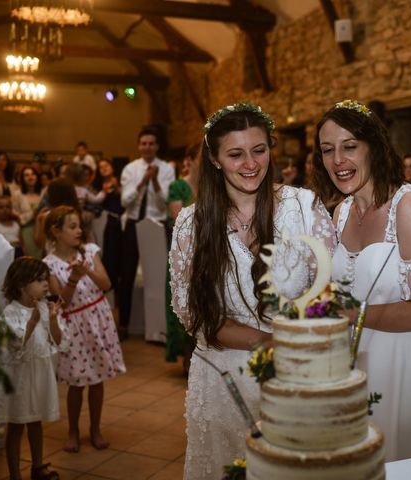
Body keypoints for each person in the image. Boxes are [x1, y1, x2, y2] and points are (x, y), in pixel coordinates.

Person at [169, 103, 335, 479]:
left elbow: (330, 294)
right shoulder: (190, 224)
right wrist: (270, 341)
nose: (251, 164)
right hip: (221, 380)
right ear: (213, 158)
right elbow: (194, 316)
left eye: (259, 150)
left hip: (294, 380)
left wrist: (298, 345)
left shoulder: (303, 208)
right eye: (235, 154)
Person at [311, 99, 411, 461]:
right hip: (354, 362)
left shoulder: (406, 205)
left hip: (404, 360)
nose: (338, 161)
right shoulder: (342, 210)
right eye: (328, 150)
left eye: (349, 147)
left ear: (373, 146)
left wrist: (353, 315)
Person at [43, 206, 125, 453]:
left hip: (97, 318)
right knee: (77, 381)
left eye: (79, 226)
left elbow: (106, 283)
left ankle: (95, 428)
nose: (79, 230)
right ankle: (73, 430)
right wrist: (73, 279)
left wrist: (85, 268)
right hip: (74, 324)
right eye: (72, 226)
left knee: (97, 378)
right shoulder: (49, 264)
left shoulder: (90, 251)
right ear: (56, 231)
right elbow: (61, 302)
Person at [0, 256, 66, 480]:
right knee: (16, 426)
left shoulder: (45, 308)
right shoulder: (10, 312)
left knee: (36, 422)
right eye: (39, 280)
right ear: (22, 285)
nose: (46, 283)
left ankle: (38, 466)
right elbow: (16, 345)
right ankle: (15, 474)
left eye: (46, 278)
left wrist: (52, 319)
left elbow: (59, 341)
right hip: (20, 379)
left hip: (39, 375)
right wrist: (32, 322)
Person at [119, 127, 175, 338]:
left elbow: (166, 203)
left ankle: (160, 328)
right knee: (127, 275)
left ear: (157, 146)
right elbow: (125, 201)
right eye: (144, 143)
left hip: (157, 224)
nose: (147, 147)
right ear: (138, 146)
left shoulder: (167, 169)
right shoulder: (131, 169)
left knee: (159, 277)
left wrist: (155, 183)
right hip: (134, 223)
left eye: (151, 143)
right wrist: (143, 182)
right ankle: (123, 324)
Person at [166, 144, 199, 370]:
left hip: (209, 251)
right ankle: (188, 357)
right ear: (191, 159)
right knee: (186, 302)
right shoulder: (178, 186)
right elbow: (179, 220)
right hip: (185, 253)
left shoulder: (215, 185)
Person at [96, 158, 124, 293]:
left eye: (106, 165)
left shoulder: (121, 180)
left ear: (112, 167)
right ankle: (109, 285)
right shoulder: (98, 186)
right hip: (109, 222)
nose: (104, 168)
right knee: (110, 254)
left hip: (123, 221)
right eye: (101, 167)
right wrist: (104, 192)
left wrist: (117, 187)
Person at [17, 166, 43, 258]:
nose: (30, 177)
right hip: (27, 230)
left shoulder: (43, 194)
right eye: (26, 175)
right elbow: (16, 217)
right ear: (22, 179)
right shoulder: (18, 195)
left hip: (43, 231)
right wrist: (32, 214)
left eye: (33, 174)